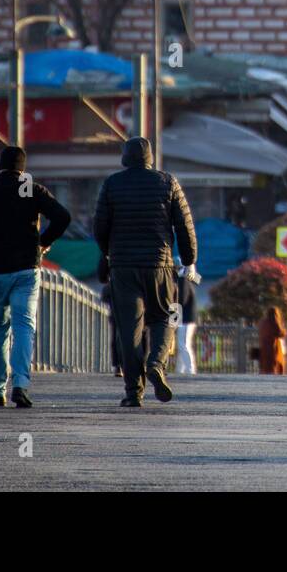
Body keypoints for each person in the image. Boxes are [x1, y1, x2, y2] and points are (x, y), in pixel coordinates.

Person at [0, 146, 71, 409]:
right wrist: (42, 242)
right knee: (23, 327)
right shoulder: (32, 190)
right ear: (23, 169)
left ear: (0, 167)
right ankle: (20, 385)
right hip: (27, 270)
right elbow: (63, 216)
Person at [93, 137, 197, 408]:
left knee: (129, 330)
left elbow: (99, 226)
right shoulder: (168, 182)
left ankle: (133, 392)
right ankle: (156, 364)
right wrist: (189, 259)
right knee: (164, 317)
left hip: (123, 266)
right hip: (159, 265)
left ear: (125, 158)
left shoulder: (112, 184)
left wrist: (108, 252)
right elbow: (184, 225)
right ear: (150, 158)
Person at [174, 265, 199, 375]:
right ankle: (180, 370)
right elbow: (198, 279)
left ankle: (190, 369)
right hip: (189, 319)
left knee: (183, 344)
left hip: (185, 319)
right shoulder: (189, 280)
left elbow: (180, 300)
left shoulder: (182, 281)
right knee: (182, 344)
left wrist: (173, 320)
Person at [256, 307, 287, 375]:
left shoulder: (262, 322)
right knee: (274, 370)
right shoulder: (274, 321)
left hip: (262, 348)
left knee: (264, 370)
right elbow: (281, 333)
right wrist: (283, 329)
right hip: (273, 349)